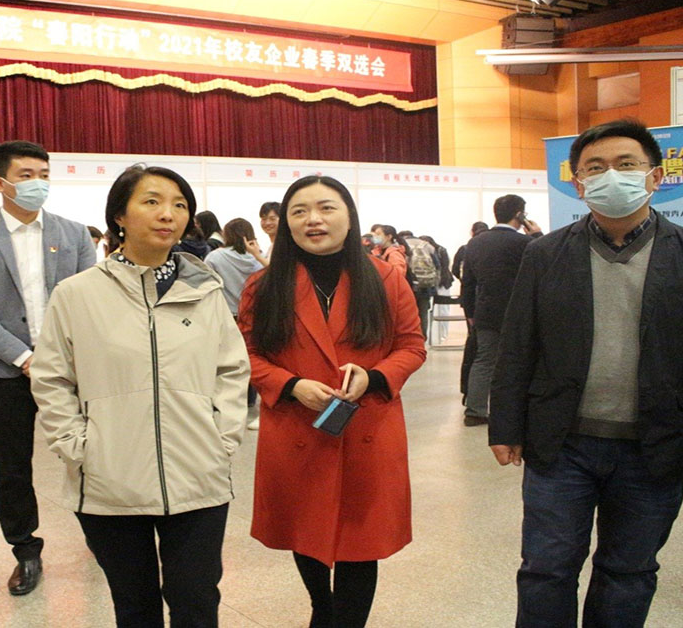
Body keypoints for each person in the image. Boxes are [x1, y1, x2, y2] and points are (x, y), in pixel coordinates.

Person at [489, 119, 683, 627]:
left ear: (655, 176)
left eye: (626, 164)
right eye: (595, 168)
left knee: (629, 571)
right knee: (546, 568)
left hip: (654, 447)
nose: (611, 176)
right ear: (578, 184)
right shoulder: (544, 254)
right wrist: (505, 426)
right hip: (561, 444)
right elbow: (518, 346)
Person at [32, 164, 249, 627]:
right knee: (134, 607)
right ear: (119, 216)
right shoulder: (77, 294)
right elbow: (52, 378)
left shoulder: (205, 291)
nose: (167, 214)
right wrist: (78, 446)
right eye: (151, 201)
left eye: (179, 204)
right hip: (110, 479)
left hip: (198, 476)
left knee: (196, 602)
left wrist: (222, 438)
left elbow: (232, 369)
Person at [238, 176, 426, 628]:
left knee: (362, 538)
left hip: (367, 425)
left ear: (348, 216)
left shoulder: (386, 279)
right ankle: (322, 609)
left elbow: (412, 346)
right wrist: (289, 384)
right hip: (297, 426)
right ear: (286, 222)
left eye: (326, 207)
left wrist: (375, 376)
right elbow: (245, 353)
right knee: (306, 529)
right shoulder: (264, 286)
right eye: (299, 211)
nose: (314, 219)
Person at [0, 140, 95, 596]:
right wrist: (25, 357)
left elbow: (90, 302)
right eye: (27, 175)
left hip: (70, 369)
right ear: (2, 183)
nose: (38, 184)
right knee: (12, 466)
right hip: (4, 372)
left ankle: (103, 534)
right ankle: (25, 550)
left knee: (88, 454)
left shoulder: (74, 234)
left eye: (44, 175)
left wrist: (56, 357)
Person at [460, 196, 541, 427]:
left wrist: (470, 313)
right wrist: (537, 235)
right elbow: (545, 269)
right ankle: (517, 409)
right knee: (522, 361)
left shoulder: (475, 243)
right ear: (519, 215)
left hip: (486, 313)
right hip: (519, 314)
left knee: (484, 360)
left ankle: (475, 410)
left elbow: (468, 282)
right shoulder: (526, 243)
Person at [204, 217, 266, 430]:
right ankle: (249, 399)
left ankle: (226, 403)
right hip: (254, 316)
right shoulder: (257, 258)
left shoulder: (215, 256)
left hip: (226, 315)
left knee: (226, 360)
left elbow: (206, 283)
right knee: (252, 357)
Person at [452, 221, 489, 401]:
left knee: (474, 348)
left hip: (473, 305)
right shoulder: (490, 249)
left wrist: (468, 311)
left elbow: (457, 272)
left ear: (472, 232)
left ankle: (469, 391)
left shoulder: (466, 248)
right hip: (488, 306)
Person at [400, 230, 441, 341]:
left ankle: (410, 339)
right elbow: (437, 266)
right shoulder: (427, 245)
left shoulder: (401, 245)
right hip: (425, 285)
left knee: (407, 313)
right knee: (423, 312)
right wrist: (434, 285)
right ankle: (422, 339)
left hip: (408, 285)